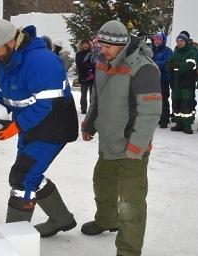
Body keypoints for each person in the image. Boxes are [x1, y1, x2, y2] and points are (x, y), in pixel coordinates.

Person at [0, 19, 79, 237]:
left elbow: (47, 105)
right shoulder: (4, 62)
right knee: (30, 173)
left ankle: (14, 239)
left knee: (23, 178)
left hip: (54, 125)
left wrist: (15, 126)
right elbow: (5, 95)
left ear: (11, 41)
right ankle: (61, 218)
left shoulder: (42, 62)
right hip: (30, 125)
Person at [81, 20, 161, 256]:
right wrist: (90, 124)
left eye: (106, 46)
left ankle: (128, 250)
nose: (101, 50)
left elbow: (150, 111)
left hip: (131, 148)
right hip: (108, 142)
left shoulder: (143, 67)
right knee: (102, 184)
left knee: (131, 203)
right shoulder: (102, 63)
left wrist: (137, 146)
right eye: (100, 45)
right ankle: (107, 221)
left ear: (120, 44)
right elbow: (98, 97)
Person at [167, 33, 198, 134]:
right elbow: (168, 66)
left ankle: (187, 125)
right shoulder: (175, 53)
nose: (179, 43)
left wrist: (176, 66)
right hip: (175, 83)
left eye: (181, 41)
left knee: (186, 104)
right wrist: (175, 67)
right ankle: (178, 123)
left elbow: (189, 66)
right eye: (178, 41)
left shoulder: (191, 52)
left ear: (186, 42)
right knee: (176, 104)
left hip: (187, 83)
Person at [150, 32, 173, 128]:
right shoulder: (150, 49)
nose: (157, 41)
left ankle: (164, 119)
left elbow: (168, 63)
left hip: (163, 79)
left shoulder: (168, 50)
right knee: (152, 100)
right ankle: (153, 119)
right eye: (155, 39)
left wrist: (154, 64)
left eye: (159, 39)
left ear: (163, 40)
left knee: (163, 100)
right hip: (151, 79)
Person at [75, 39, 94, 114]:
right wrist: (88, 65)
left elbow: (95, 64)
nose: (85, 45)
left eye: (87, 44)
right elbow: (79, 65)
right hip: (83, 77)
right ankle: (83, 109)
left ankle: (92, 109)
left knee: (92, 94)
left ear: (89, 45)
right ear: (81, 45)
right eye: (84, 44)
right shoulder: (79, 54)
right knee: (83, 94)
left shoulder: (93, 54)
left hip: (92, 77)